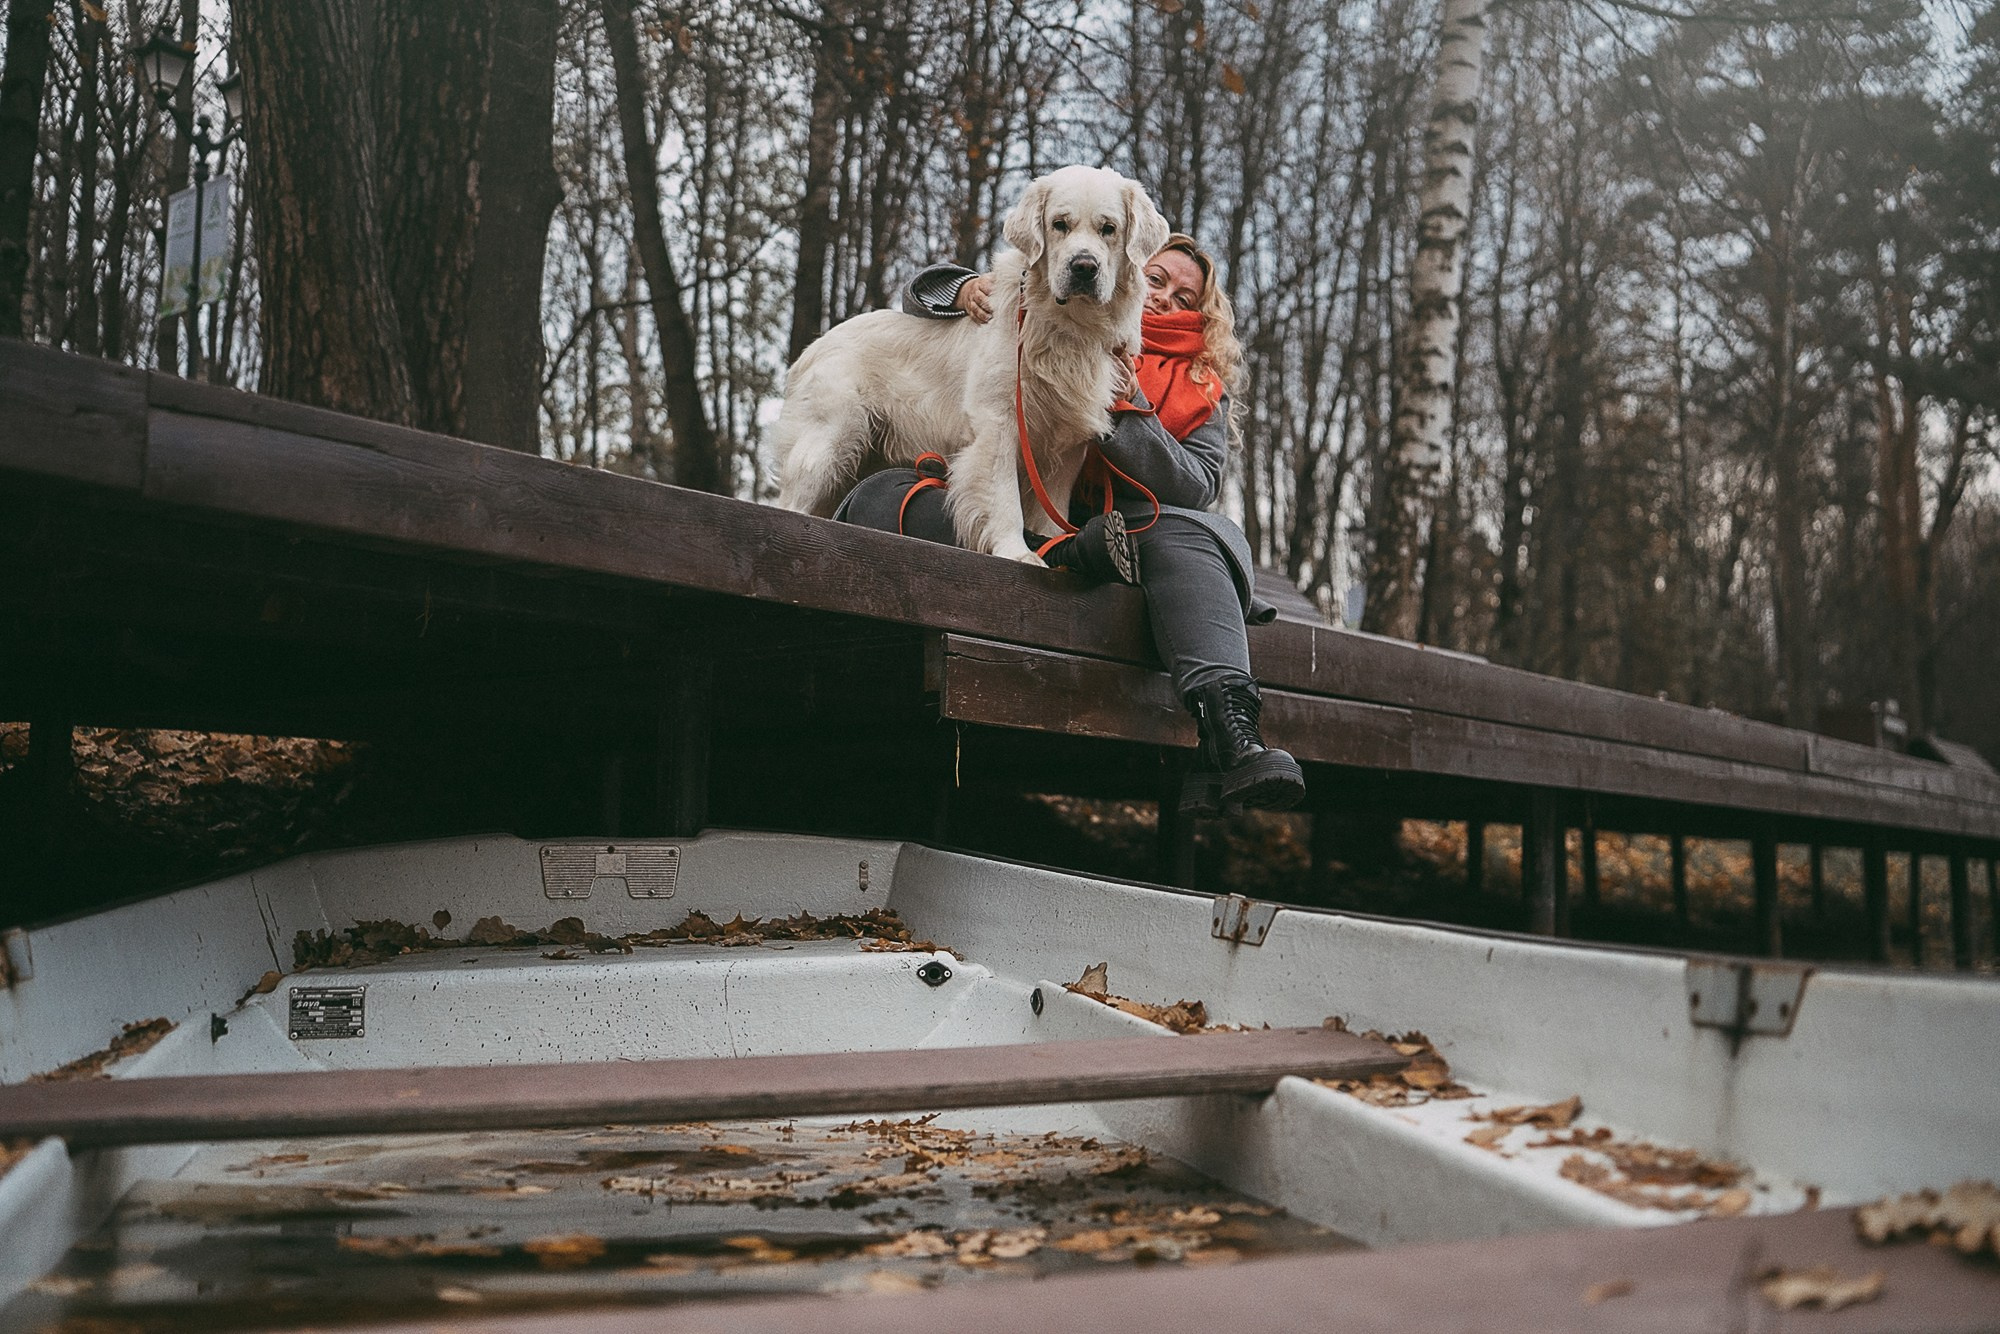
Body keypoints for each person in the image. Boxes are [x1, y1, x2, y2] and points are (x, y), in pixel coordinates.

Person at [834, 236, 1304, 814]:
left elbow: (1196, 486)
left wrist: (1128, 407)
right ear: (1129, 270)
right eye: (1157, 280)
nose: (1164, 299)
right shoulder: (1057, 310)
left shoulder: (1202, 385)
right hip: (1017, 513)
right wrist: (964, 289)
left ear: (1201, 317)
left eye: (1185, 298)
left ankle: (1233, 738)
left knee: (1189, 537)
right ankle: (1063, 551)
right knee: (885, 496)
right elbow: (922, 302)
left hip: (1129, 530)